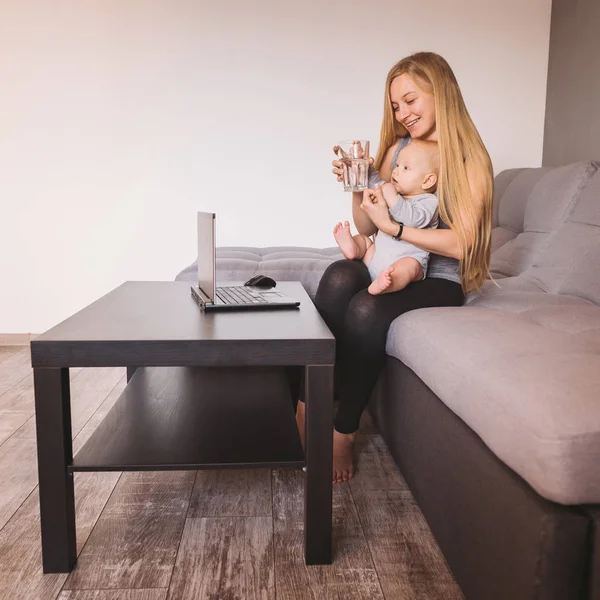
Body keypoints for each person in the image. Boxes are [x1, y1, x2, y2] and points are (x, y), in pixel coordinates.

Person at [296, 51, 494, 484]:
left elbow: (464, 243)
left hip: (438, 279)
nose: (402, 113)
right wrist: (358, 184)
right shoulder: (398, 149)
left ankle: (344, 429)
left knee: (365, 309)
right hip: (388, 257)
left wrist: (398, 228)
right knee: (338, 277)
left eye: (410, 100)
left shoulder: (470, 159)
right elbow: (369, 222)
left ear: (440, 92)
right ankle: (308, 399)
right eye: (395, 106)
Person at [333, 139, 440, 295]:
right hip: (375, 256)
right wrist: (362, 166)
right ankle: (352, 248)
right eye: (397, 165)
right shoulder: (394, 192)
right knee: (364, 240)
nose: (395, 171)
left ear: (427, 180)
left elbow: (412, 220)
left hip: (404, 261)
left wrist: (392, 197)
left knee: (411, 267)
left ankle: (389, 283)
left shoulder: (428, 201)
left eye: (406, 168)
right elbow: (375, 182)